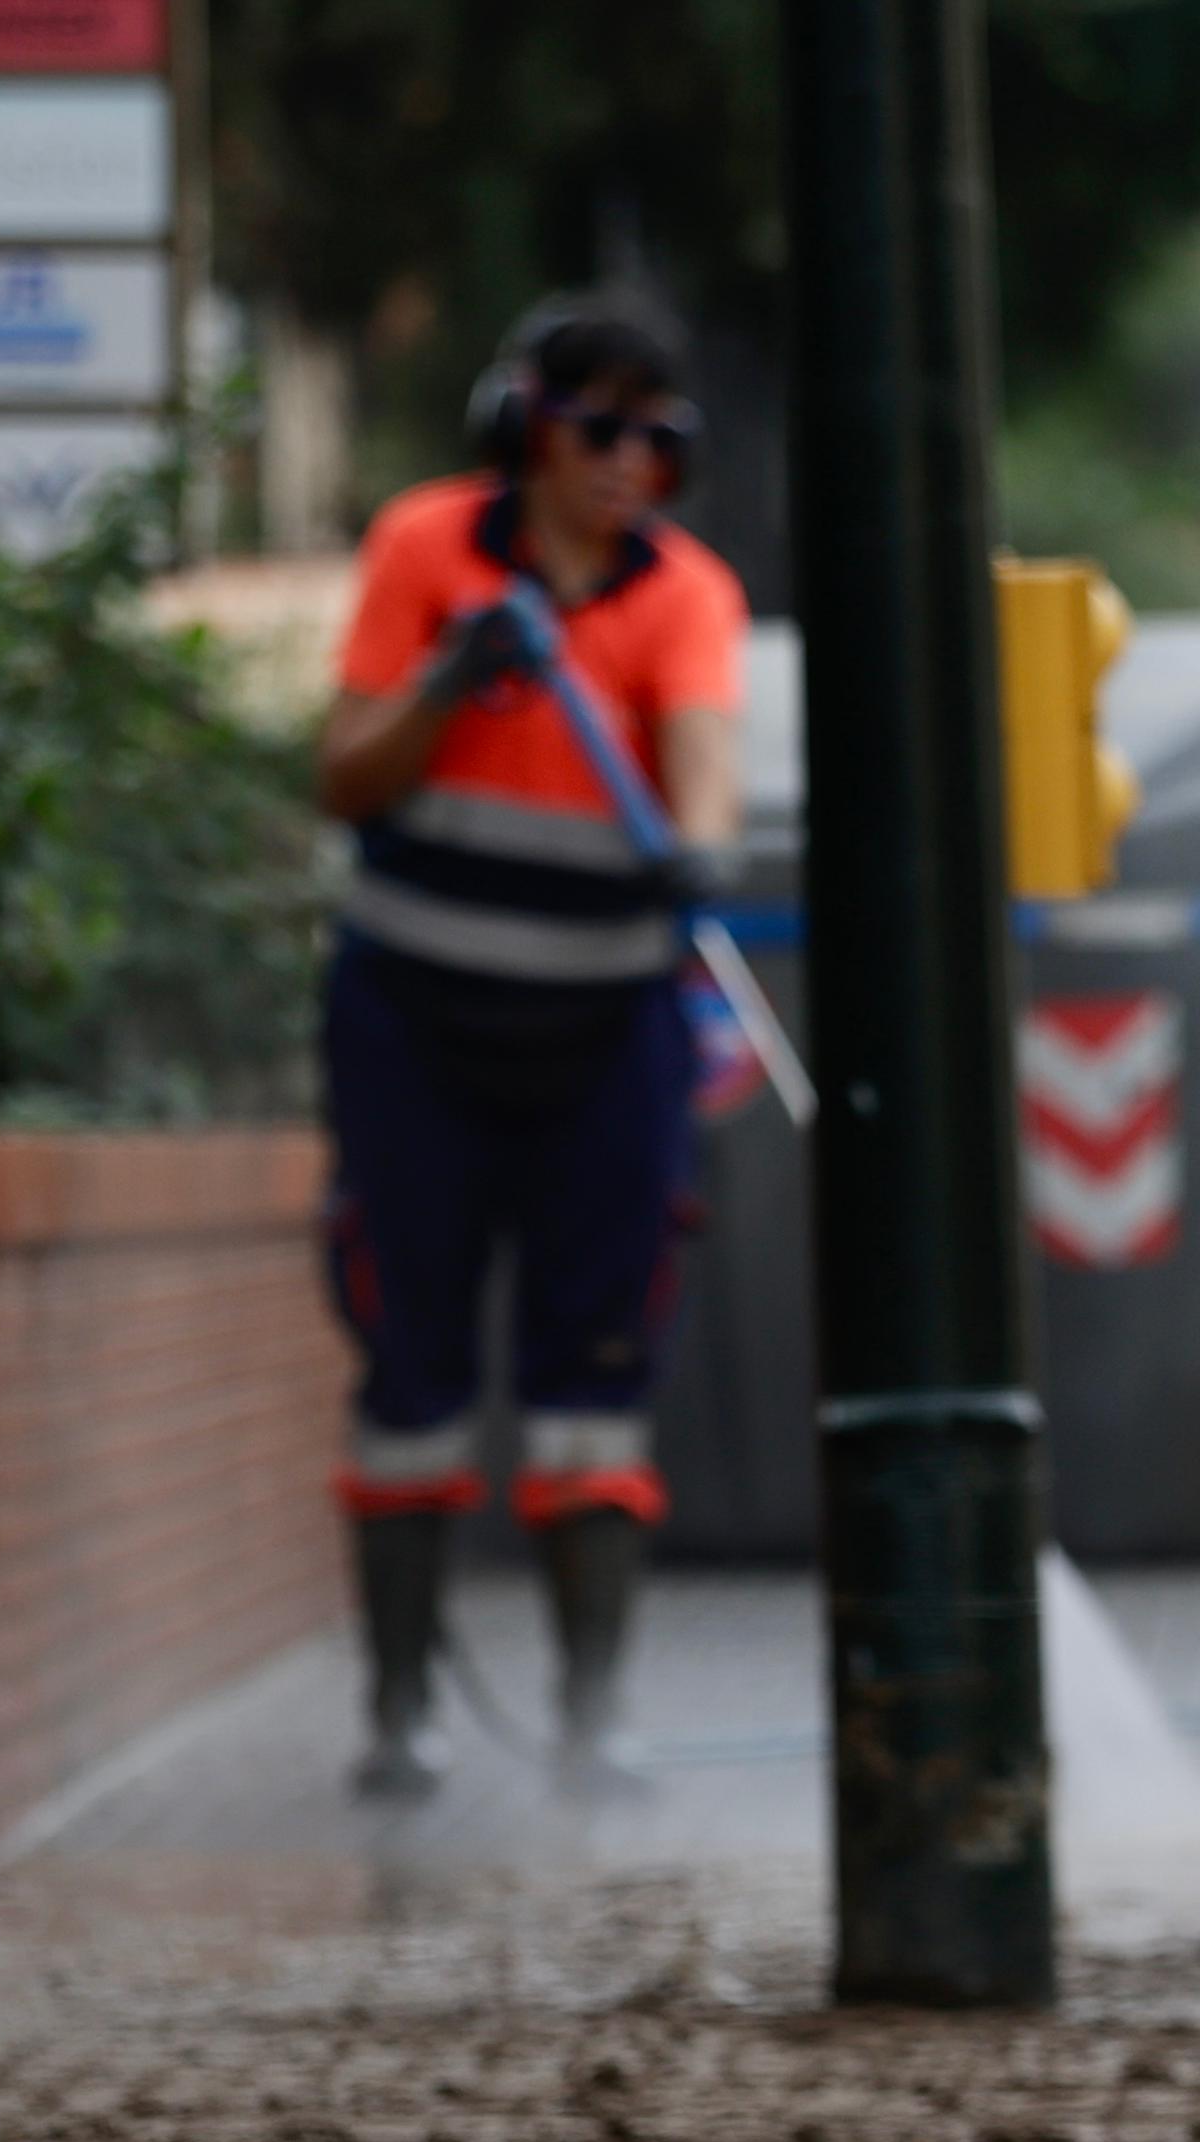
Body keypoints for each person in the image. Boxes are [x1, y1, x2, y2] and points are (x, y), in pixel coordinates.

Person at [311, 292, 747, 1797]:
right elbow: (345, 780)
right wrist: (452, 675)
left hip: (603, 1036)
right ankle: (400, 1717)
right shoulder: (425, 552)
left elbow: (702, 768)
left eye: (658, 437)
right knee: (410, 1368)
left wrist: (694, 852)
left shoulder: (685, 594)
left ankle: (594, 1715)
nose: (629, 461)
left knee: (594, 1378)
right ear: (528, 426)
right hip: (413, 1029)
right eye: (600, 426)